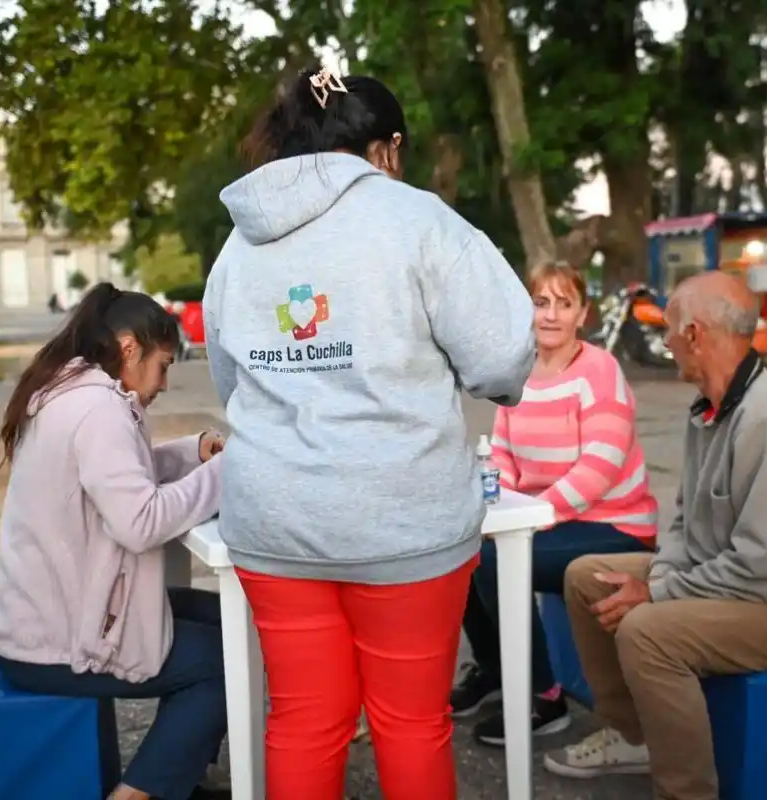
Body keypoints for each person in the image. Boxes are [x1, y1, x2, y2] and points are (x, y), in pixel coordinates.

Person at [202, 67, 535, 800]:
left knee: (303, 720)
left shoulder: (237, 246)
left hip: (275, 520)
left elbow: (233, 383)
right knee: (411, 722)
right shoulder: (420, 222)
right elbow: (500, 358)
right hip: (403, 519)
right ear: (385, 149)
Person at [545, 271, 767, 800]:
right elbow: (682, 522)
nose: (666, 341)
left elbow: (766, 567)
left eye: (670, 329)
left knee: (647, 631)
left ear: (695, 334)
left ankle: (686, 791)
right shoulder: (711, 408)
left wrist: (657, 592)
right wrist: (664, 576)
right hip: (736, 581)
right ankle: (636, 737)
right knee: (587, 577)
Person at [0, 283, 227, 800]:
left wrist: (194, 454)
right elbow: (139, 521)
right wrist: (231, 472)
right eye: (163, 366)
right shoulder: (97, 410)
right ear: (129, 347)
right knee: (223, 659)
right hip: (53, 641)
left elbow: (116, 480)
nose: (163, 384)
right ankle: (140, 794)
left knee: (221, 620)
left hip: (48, 617)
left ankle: (175, 775)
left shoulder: (71, 391)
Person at [451, 260, 659, 746]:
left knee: (493, 561)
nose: (550, 315)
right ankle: (497, 671)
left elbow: (599, 467)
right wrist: (498, 500)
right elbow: (500, 448)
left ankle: (545, 699)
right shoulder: (519, 371)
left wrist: (529, 520)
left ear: (582, 314)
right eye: (540, 301)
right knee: (458, 547)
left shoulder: (599, 371)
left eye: (563, 304)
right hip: (546, 520)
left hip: (615, 524)